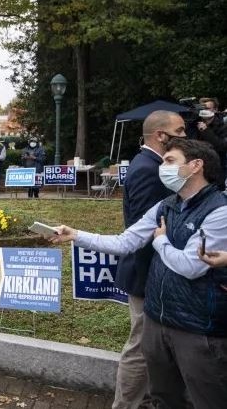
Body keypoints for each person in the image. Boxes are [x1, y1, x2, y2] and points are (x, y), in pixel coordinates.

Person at [48, 138, 227, 408]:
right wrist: (76, 235)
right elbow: (125, 242)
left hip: (198, 329)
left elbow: (190, 266)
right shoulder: (166, 205)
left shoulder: (219, 211)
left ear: (196, 166)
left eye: (169, 161)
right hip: (157, 320)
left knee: (206, 399)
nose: (162, 168)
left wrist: (160, 241)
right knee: (164, 398)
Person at [111, 110, 186, 409]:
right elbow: (141, 232)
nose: (185, 137)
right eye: (180, 131)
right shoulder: (148, 169)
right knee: (141, 347)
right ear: (160, 135)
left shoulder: (151, 165)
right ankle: (125, 404)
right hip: (146, 274)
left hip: (153, 272)